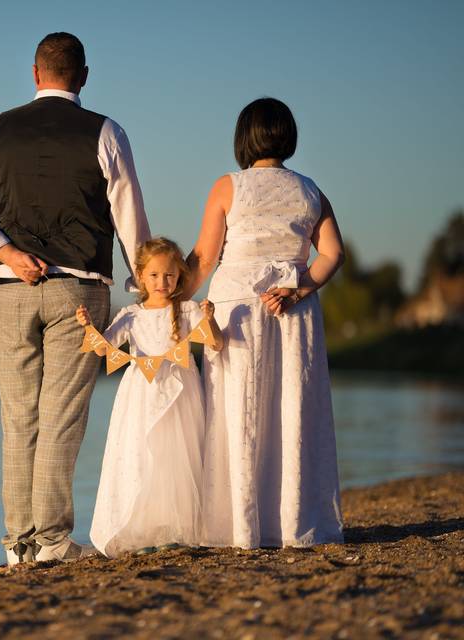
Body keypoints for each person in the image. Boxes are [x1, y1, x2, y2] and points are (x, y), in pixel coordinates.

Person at [0, 32, 150, 565]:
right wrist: (145, 284)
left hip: (13, 290)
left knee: (18, 419)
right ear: (83, 76)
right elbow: (128, 218)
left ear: (35, 75)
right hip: (79, 290)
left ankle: (19, 546)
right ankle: (54, 542)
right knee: (61, 417)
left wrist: (7, 252)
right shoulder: (106, 131)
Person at [184, 97, 346, 548]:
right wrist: (298, 289)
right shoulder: (312, 190)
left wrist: (166, 295)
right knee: (292, 408)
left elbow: (203, 257)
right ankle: (292, 523)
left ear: (243, 139)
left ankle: (240, 527)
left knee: (238, 411)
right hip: (292, 307)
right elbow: (332, 254)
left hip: (236, 308)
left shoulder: (227, 186)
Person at [76, 237, 223, 556]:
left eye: (169, 275)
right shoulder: (131, 314)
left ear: (179, 276)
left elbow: (217, 344)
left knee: (175, 456)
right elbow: (105, 348)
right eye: (154, 275)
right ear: (141, 276)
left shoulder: (187, 309)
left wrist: (209, 319)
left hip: (180, 392)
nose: (162, 282)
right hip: (141, 392)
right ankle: (141, 531)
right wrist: (89, 328)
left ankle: (175, 528)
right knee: (142, 455)